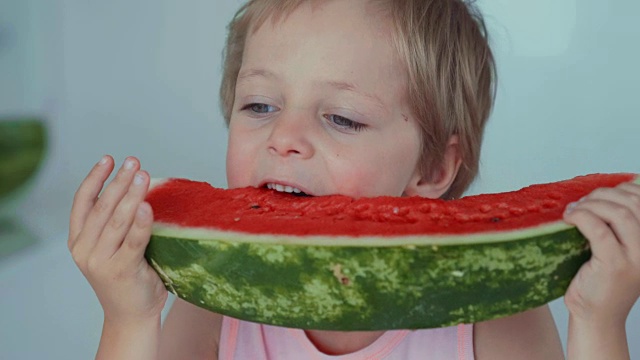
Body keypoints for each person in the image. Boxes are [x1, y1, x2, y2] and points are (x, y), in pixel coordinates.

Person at [68, 0, 640, 359]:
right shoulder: (213, 300)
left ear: (434, 167)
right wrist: (128, 317)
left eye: (342, 117)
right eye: (259, 105)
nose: (283, 137)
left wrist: (598, 321)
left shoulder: (492, 312)